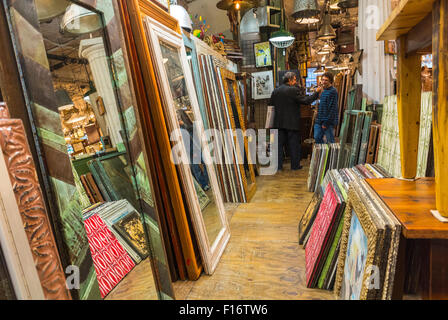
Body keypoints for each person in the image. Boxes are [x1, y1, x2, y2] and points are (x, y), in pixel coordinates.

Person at [269, 72, 321, 171]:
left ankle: (278, 167)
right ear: (290, 80)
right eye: (294, 79)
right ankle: (295, 166)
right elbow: (306, 101)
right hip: (292, 123)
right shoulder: (293, 90)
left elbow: (271, 106)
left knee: (279, 146)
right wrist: (316, 92)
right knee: (294, 145)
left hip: (278, 123)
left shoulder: (275, 91)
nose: (296, 81)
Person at [314, 72, 339, 144]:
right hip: (319, 120)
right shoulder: (323, 90)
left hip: (328, 121)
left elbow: (333, 108)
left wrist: (326, 123)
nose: (323, 82)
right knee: (317, 137)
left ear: (330, 81)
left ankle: (330, 154)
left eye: (326, 80)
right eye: (322, 80)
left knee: (330, 141)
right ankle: (323, 153)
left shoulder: (333, 91)